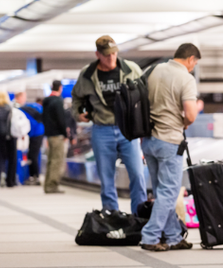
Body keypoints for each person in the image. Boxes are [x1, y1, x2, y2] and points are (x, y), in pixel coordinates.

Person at [72, 35, 147, 214]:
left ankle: (140, 214)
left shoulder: (131, 69)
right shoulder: (87, 75)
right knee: (106, 178)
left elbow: (146, 95)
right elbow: (77, 97)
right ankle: (112, 214)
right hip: (102, 129)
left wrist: (144, 124)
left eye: (114, 53)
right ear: (97, 54)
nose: (111, 58)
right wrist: (78, 114)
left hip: (128, 129)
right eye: (106, 55)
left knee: (137, 174)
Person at [139, 43, 201, 252]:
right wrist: (185, 121)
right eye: (194, 64)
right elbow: (190, 115)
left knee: (161, 191)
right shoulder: (185, 78)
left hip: (149, 140)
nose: (193, 67)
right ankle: (150, 235)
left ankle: (174, 236)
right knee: (169, 192)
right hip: (169, 140)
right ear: (191, 59)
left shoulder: (154, 71)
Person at [42, 81, 68, 194]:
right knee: (57, 160)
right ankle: (52, 186)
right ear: (60, 88)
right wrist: (65, 134)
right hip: (57, 135)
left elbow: (43, 118)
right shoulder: (58, 101)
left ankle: (47, 185)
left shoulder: (46, 101)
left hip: (49, 135)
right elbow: (61, 119)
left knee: (50, 160)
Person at [0, 91, 17, 187]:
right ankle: (10, 180)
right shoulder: (10, 108)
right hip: (11, 135)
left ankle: (1, 173)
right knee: (12, 157)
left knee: (1, 156)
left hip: (0, 135)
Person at [17, 93, 45, 186]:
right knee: (33, 155)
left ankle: (35, 176)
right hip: (37, 132)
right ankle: (33, 176)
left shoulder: (21, 109)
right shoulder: (34, 107)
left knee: (33, 155)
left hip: (36, 133)